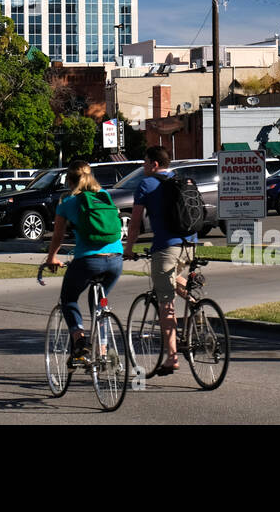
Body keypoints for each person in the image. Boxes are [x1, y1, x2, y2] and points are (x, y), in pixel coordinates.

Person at [123, 145, 195, 375]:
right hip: (190, 245)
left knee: (166, 302)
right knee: (173, 280)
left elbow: (134, 223)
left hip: (166, 248)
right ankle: (196, 303)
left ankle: (171, 357)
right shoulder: (181, 180)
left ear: (154, 164)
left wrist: (129, 248)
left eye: (145, 162)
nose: (143, 166)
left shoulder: (146, 184)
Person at [43, 160, 123, 360]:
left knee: (69, 298)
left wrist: (51, 257)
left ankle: (79, 341)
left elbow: (58, 236)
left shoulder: (68, 203)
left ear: (69, 180)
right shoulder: (105, 197)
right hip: (115, 260)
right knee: (100, 303)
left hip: (88, 262)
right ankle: (103, 351)